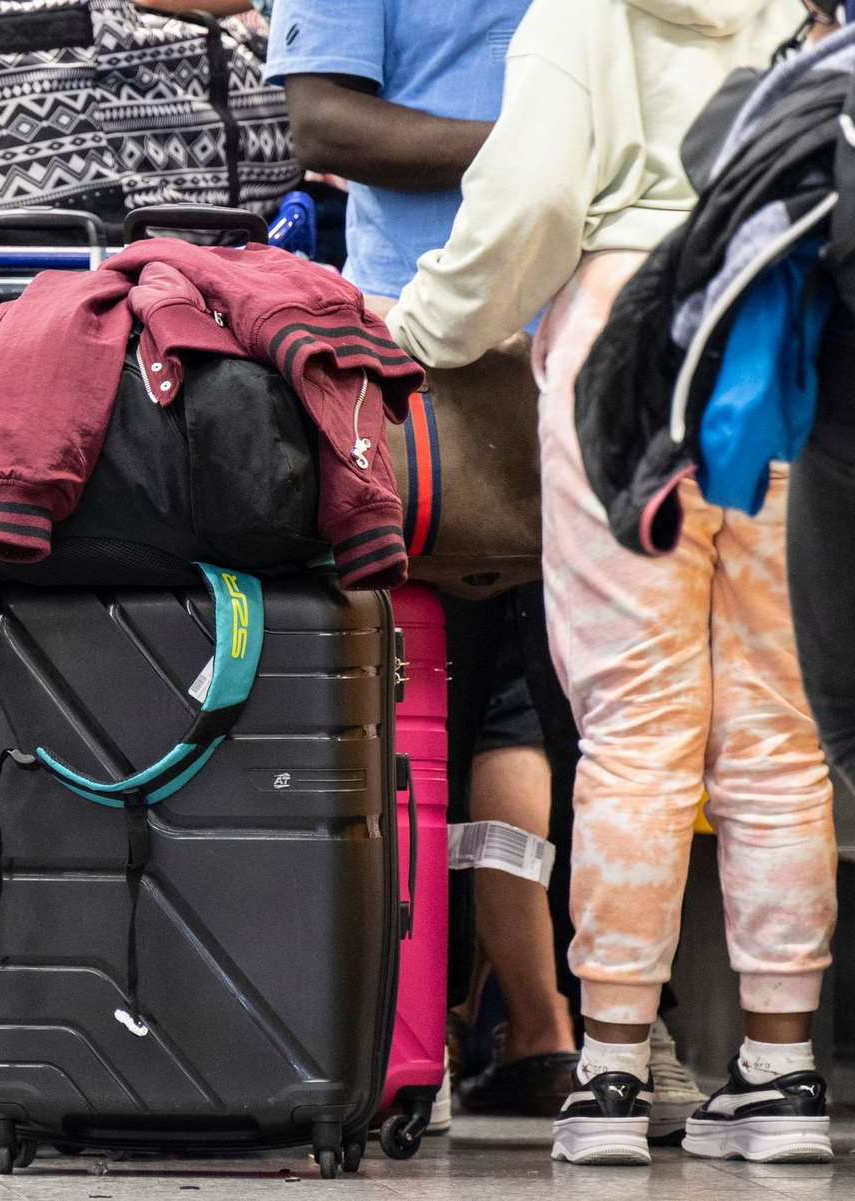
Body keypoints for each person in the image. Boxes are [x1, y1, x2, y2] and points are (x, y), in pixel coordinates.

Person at [388, 0, 831, 1167]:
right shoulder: (803, 15)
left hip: (625, 336)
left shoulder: (581, 13)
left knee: (636, 719)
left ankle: (614, 1078)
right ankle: (784, 1076)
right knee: (779, 720)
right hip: (778, 334)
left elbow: (530, 200)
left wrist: (426, 327)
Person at [264, 0, 590, 1122]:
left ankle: (551, 1029)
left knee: (545, 699)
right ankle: (438, 1030)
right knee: (444, 692)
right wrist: (549, 144)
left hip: (579, 328)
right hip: (424, 340)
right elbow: (326, 129)